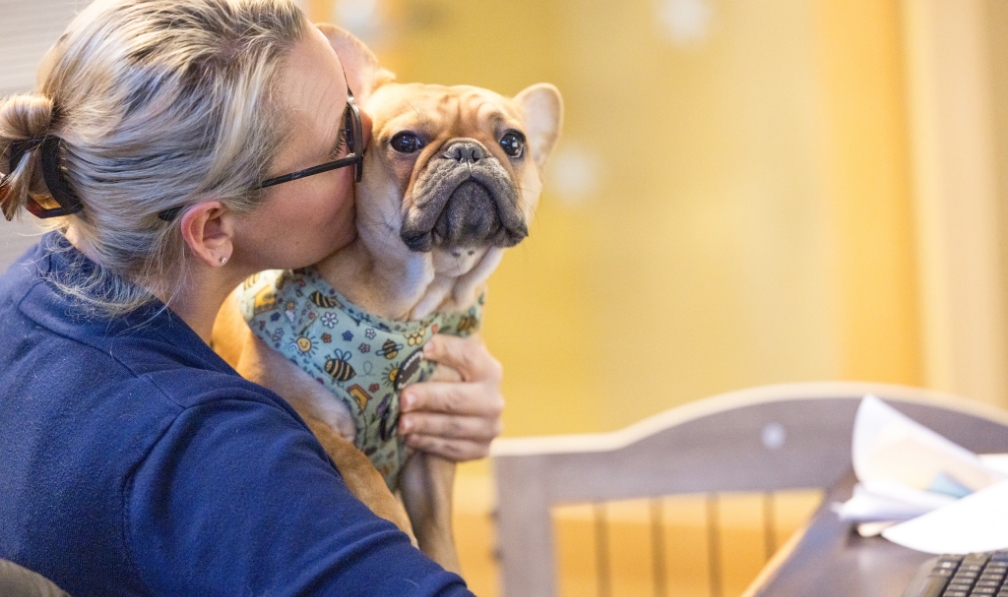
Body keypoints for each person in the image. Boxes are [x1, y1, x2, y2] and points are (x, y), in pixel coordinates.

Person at [0, 1, 504, 595]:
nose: (371, 137)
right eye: (343, 134)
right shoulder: (219, 456)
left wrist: (396, 408)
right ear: (212, 229)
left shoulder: (28, 295)